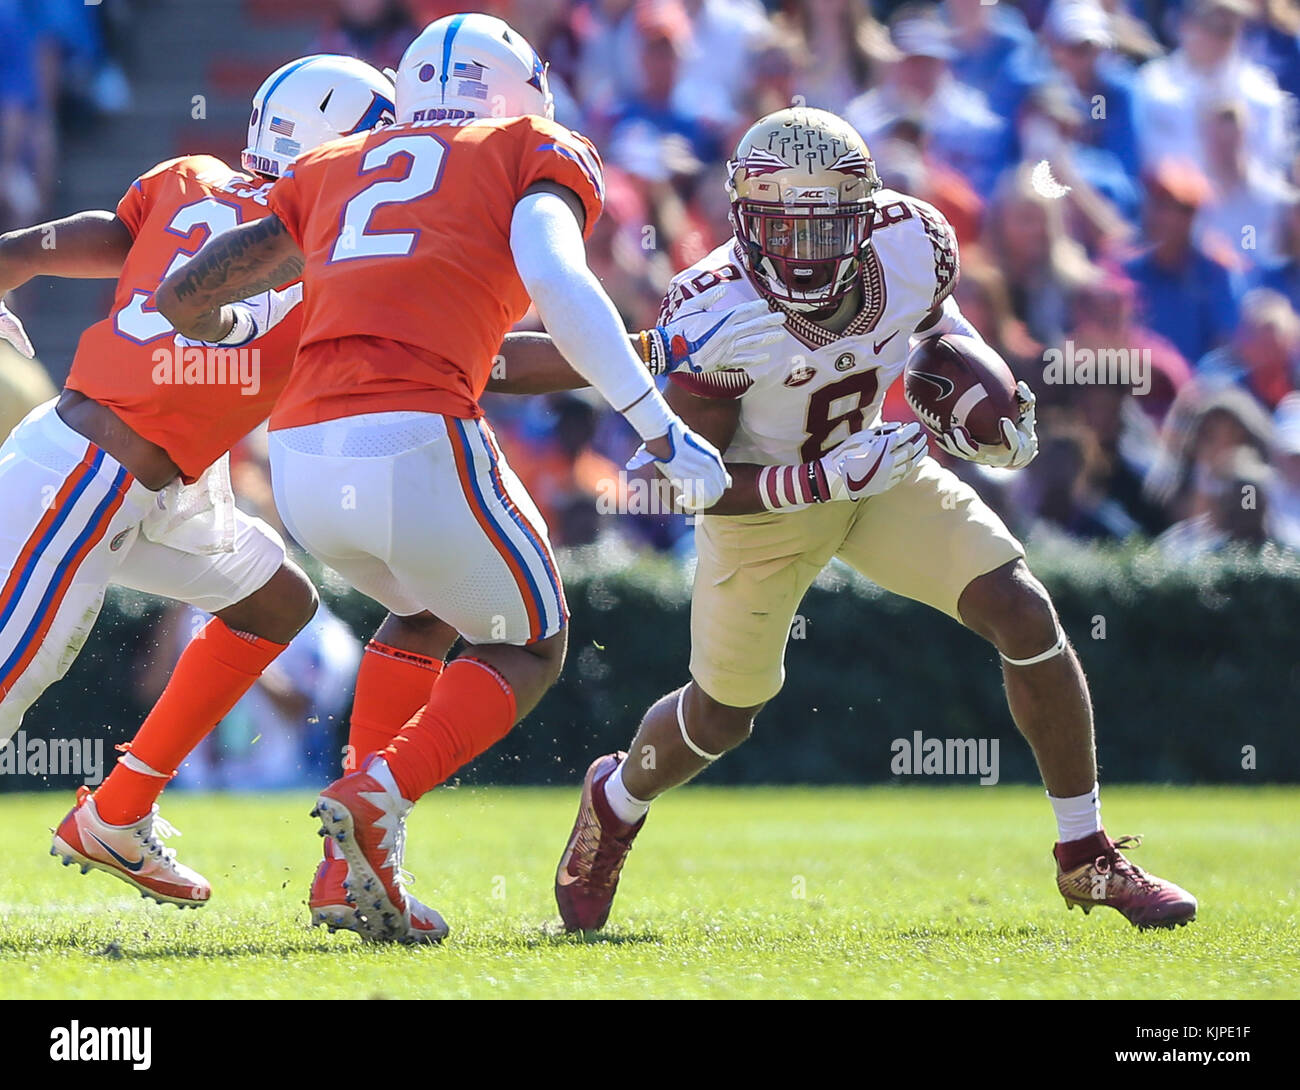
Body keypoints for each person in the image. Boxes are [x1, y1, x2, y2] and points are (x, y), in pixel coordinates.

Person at [536, 106, 1197, 933]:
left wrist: (973, 392)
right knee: (721, 716)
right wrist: (816, 478)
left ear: (867, 214)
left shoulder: (913, 239)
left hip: (877, 468)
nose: (808, 252)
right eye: (787, 229)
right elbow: (691, 485)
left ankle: (1086, 855)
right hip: (766, 505)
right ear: (745, 220)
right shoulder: (710, 308)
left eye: (830, 229)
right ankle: (617, 796)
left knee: (1022, 609)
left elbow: (931, 326)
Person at [154, 13, 734, 945]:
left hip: (304, 457)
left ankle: (346, 872)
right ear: (520, 88)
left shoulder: (339, 163)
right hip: (417, 436)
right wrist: (658, 425)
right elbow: (558, 279)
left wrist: (212, 329)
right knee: (531, 642)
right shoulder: (529, 145)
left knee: (424, 610)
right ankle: (379, 794)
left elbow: (192, 292)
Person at [0, 55, 397, 907]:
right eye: (379, 146)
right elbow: (227, 312)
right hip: (88, 473)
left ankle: (117, 813)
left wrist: (16, 256)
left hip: (161, 482)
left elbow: (118, 232)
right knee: (8, 681)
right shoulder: (303, 244)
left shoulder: (194, 178)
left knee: (276, 602)